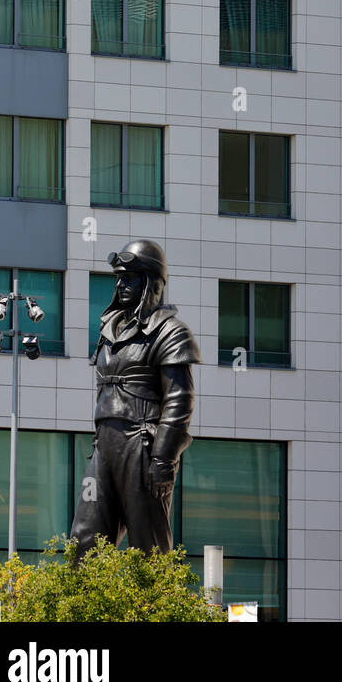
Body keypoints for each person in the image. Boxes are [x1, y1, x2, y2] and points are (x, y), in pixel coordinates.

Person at [70, 239, 201, 558]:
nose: (120, 284)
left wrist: (163, 459)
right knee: (84, 539)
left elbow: (180, 400)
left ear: (150, 282)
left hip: (141, 445)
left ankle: (156, 607)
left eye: (128, 277)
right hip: (104, 446)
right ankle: (84, 607)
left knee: (147, 544)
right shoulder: (108, 331)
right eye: (118, 277)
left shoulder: (170, 331)